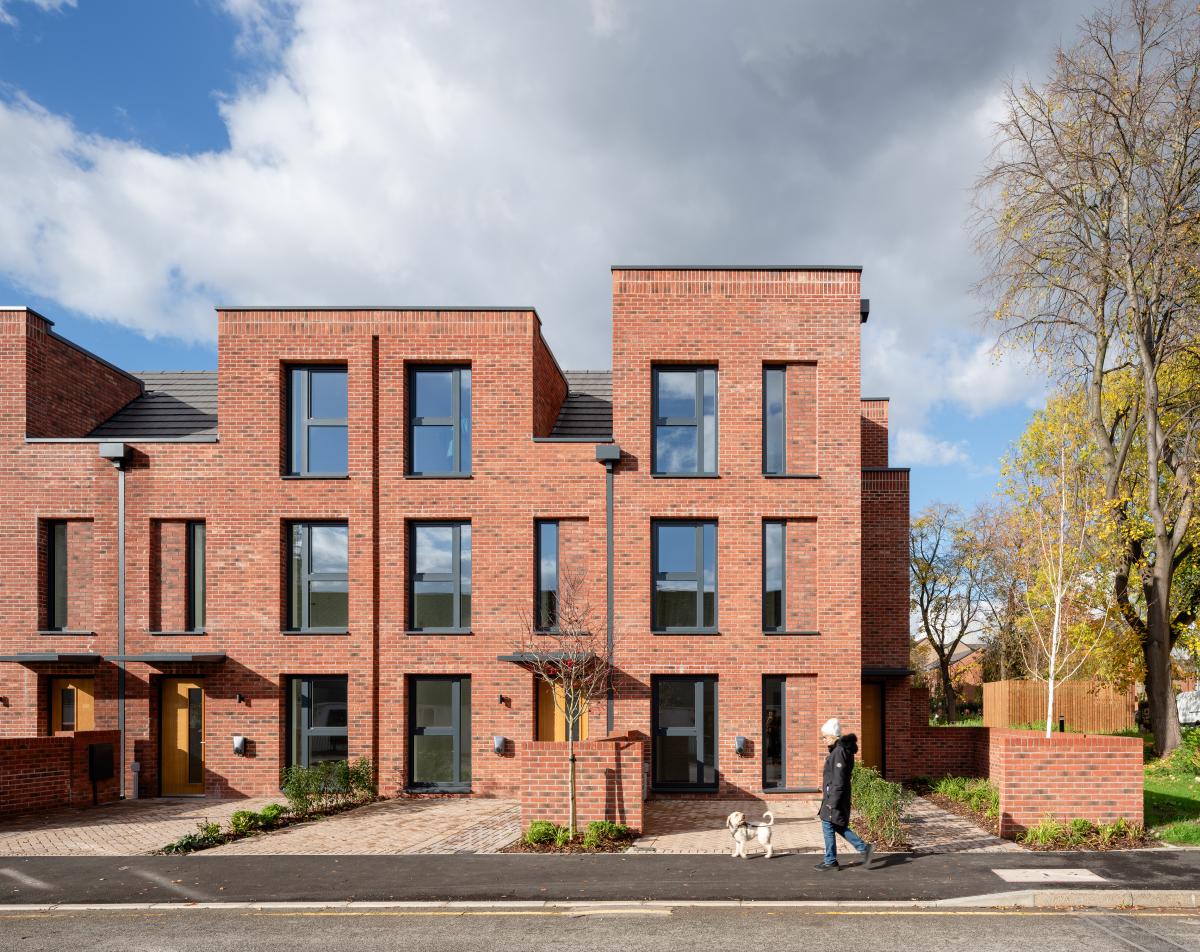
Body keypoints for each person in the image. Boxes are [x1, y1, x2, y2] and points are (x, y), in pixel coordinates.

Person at [814, 717, 874, 871]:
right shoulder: (839, 750)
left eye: (825, 736)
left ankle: (830, 861)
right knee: (837, 825)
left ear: (834, 736)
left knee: (828, 824)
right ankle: (864, 849)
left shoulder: (839, 752)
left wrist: (832, 802)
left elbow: (839, 780)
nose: (823, 740)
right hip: (835, 796)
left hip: (835, 797)